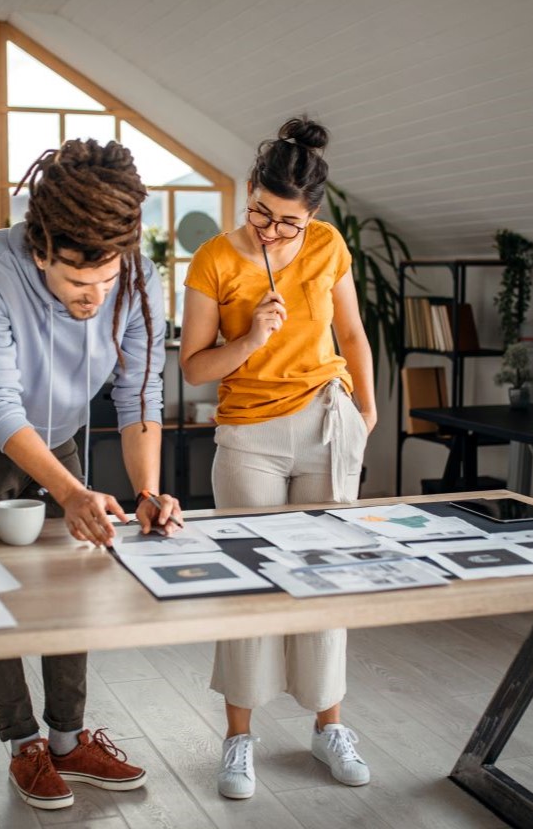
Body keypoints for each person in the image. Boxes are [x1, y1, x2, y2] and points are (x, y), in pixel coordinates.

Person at [0, 138, 183, 811]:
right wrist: (69, 491)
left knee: (78, 572)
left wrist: (148, 492)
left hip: (62, 432)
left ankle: (68, 739)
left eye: (106, 281)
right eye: (76, 283)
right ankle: (24, 745)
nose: (94, 297)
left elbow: (139, 394)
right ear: (41, 250)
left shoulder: (136, 278)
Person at [179, 116, 376, 799]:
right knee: (250, 584)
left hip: (326, 421)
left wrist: (367, 413)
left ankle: (329, 728)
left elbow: (351, 332)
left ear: (311, 216)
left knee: (328, 579)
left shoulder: (327, 245)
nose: (272, 232)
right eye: (262, 214)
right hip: (248, 437)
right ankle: (238, 739)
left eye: (288, 222)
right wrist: (251, 339)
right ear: (250, 195)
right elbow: (196, 369)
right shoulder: (215, 259)